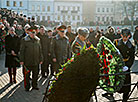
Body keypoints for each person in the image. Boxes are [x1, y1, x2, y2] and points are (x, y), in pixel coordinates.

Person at [20, 27, 43, 91]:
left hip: (36, 61)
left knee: (35, 74)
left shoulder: (38, 40)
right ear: (29, 33)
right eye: (31, 33)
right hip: (27, 61)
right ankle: (27, 87)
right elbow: (22, 51)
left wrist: (41, 59)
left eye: (34, 33)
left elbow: (40, 50)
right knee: (27, 75)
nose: (33, 34)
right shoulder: (24, 40)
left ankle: (34, 85)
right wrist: (21, 60)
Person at [116, 28, 135, 102]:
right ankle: (111, 93)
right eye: (123, 36)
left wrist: (128, 66)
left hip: (126, 66)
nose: (124, 38)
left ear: (129, 36)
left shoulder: (131, 45)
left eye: (126, 36)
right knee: (116, 81)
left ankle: (125, 98)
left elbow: (132, 58)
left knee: (126, 84)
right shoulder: (117, 42)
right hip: (118, 65)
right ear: (121, 35)